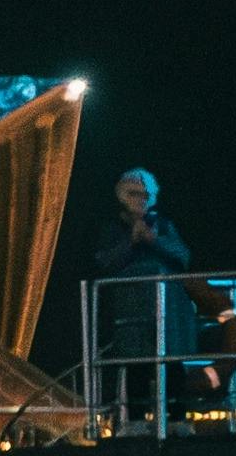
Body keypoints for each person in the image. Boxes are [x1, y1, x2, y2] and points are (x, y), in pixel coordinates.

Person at [83, 168, 205, 420]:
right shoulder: (112, 228)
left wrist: (153, 240)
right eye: (134, 193)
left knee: (171, 365)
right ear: (121, 195)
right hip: (131, 311)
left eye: (145, 194)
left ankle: (177, 419)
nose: (140, 199)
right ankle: (136, 420)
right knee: (136, 367)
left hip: (167, 311)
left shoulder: (163, 225)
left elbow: (183, 255)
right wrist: (131, 240)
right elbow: (104, 261)